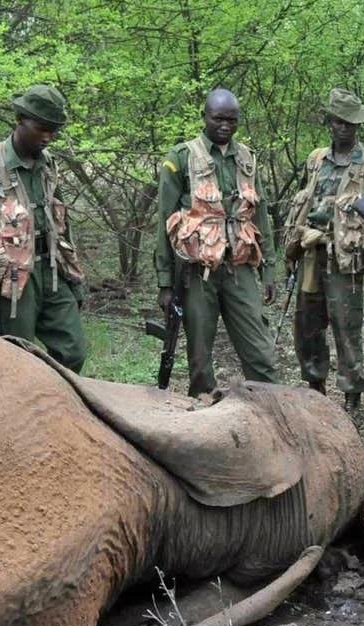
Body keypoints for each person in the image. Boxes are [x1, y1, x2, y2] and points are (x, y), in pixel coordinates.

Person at [0, 84, 87, 373]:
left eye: (54, 130)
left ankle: (55, 403)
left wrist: (74, 279)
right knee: (16, 359)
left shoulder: (48, 163)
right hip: (13, 279)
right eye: (42, 128)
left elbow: (62, 224)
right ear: (20, 120)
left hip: (52, 271)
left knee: (73, 351)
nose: (49, 137)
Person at [155, 88, 279, 397]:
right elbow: (164, 222)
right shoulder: (181, 158)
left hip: (240, 267)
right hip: (197, 272)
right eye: (218, 118)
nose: (225, 125)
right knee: (199, 357)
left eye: (232, 120)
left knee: (261, 353)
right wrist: (165, 284)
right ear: (205, 116)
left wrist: (270, 270)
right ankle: (204, 414)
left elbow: (260, 217)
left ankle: (269, 411)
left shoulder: (247, 158)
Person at [283, 88, 364, 414]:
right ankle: (315, 389)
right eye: (338, 121)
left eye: (350, 123)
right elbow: (304, 205)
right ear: (329, 122)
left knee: (347, 329)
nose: (344, 128)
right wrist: (293, 252)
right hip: (312, 252)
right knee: (307, 325)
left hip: (348, 258)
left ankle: (351, 396)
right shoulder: (316, 160)